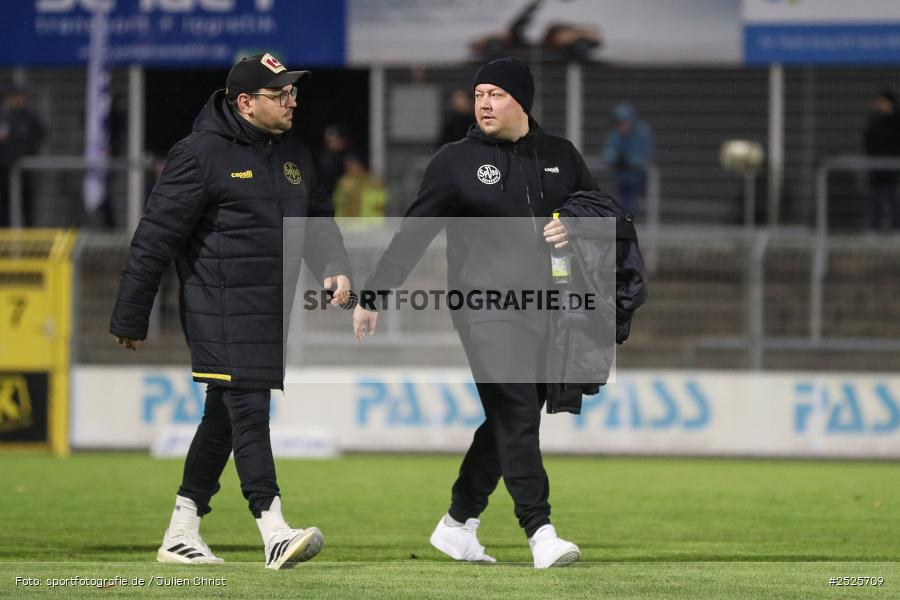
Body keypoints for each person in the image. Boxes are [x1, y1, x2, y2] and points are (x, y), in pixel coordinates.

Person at [353, 56, 606, 569]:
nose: (484, 103)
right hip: (484, 307)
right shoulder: (455, 161)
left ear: (522, 101)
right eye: (478, 95)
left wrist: (573, 226)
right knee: (515, 410)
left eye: (496, 94)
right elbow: (414, 233)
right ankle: (541, 532)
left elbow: (601, 213)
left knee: (510, 417)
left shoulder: (561, 154)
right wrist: (375, 293)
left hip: (549, 309)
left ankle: (456, 525)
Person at [109, 53, 351, 570]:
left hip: (266, 311)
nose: (292, 101)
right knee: (248, 409)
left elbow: (319, 221)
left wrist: (334, 267)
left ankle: (182, 531)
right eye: (279, 94)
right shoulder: (198, 155)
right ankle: (274, 528)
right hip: (217, 308)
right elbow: (153, 239)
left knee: (222, 419)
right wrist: (131, 316)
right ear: (245, 104)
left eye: (293, 92)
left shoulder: (295, 155)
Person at [0, 86, 47, 227]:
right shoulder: (4, 116)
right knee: (4, 207)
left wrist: (30, 151)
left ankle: (28, 235)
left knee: (27, 206)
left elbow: (41, 134)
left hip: (24, 169)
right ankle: (4, 237)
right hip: (4, 170)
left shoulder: (30, 117)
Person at [602, 102, 654, 217]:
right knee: (618, 203)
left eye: (624, 123)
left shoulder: (642, 132)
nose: (622, 127)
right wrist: (615, 159)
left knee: (630, 204)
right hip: (620, 178)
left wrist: (629, 161)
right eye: (619, 124)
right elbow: (609, 153)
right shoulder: (615, 134)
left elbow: (644, 155)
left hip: (637, 178)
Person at [862, 90, 900, 231]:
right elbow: (868, 140)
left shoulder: (897, 121)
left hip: (895, 167)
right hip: (877, 167)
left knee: (895, 199)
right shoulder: (875, 121)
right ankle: (874, 229)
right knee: (875, 199)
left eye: (883, 102)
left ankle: (897, 229)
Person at [332, 152, 387, 220]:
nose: (349, 167)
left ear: (361, 165)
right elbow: (338, 204)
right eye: (348, 164)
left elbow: (381, 205)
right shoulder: (343, 182)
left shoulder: (373, 182)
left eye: (352, 164)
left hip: (369, 226)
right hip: (346, 226)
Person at [317, 124, 352, 199]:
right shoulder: (326, 158)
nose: (333, 143)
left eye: (336, 140)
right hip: (331, 197)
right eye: (330, 141)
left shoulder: (348, 155)